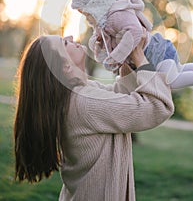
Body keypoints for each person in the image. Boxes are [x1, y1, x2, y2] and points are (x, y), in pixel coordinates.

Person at [14, 33, 175, 201]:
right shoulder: (85, 102)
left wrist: (126, 57)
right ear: (66, 67)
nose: (69, 36)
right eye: (64, 43)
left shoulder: (78, 95)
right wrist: (140, 59)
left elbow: (122, 95)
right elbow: (156, 107)